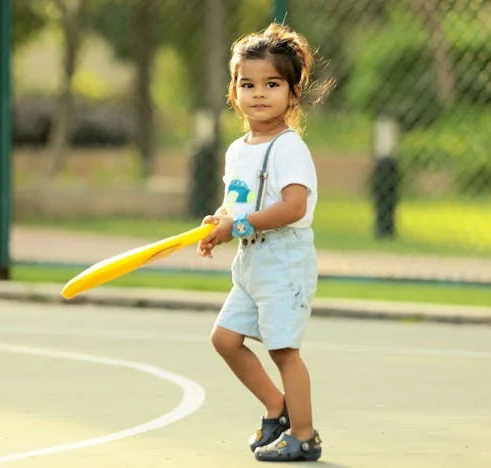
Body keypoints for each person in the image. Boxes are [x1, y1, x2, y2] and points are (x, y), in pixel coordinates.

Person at [198, 22, 334, 462]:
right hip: (250, 262)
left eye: (272, 84)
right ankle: (277, 408)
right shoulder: (238, 150)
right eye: (247, 84)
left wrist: (236, 228)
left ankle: (305, 434)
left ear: (293, 94)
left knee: (283, 349)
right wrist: (217, 223)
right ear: (234, 91)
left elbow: (293, 207)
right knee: (224, 339)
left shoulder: (289, 148)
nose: (259, 93)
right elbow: (236, 204)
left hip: (284, 261)